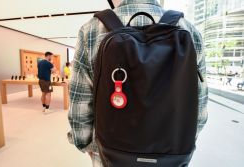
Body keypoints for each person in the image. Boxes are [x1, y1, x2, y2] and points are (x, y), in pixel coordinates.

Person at [68, 0, 208, 166]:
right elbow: (200, 110)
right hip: (171, 158)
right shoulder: (188, 30)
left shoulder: (91, 29)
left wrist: (89, 147)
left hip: (111, 155)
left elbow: (80, 106)